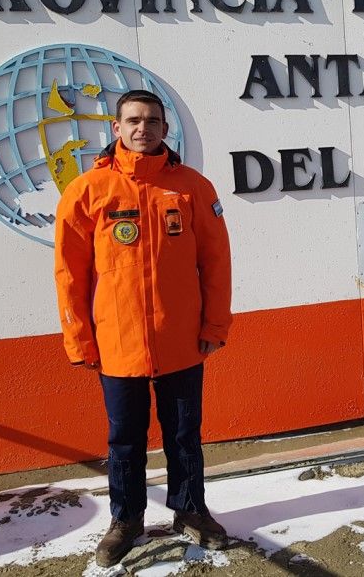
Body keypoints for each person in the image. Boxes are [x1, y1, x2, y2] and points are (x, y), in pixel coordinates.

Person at [54, 89, 232, 567]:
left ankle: (190, 511)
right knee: (125, 440)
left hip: (181, 338)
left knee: (184, 434)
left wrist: (215, 324)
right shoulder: (87, 191)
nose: (143, 128)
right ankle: (126, 519)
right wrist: (79, 338)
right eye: (133, 120)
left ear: (164, 129)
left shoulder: (193, 187)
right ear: (117, 128)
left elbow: (216, 263)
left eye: (152, 121)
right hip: (118, 341)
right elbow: (70, 274)